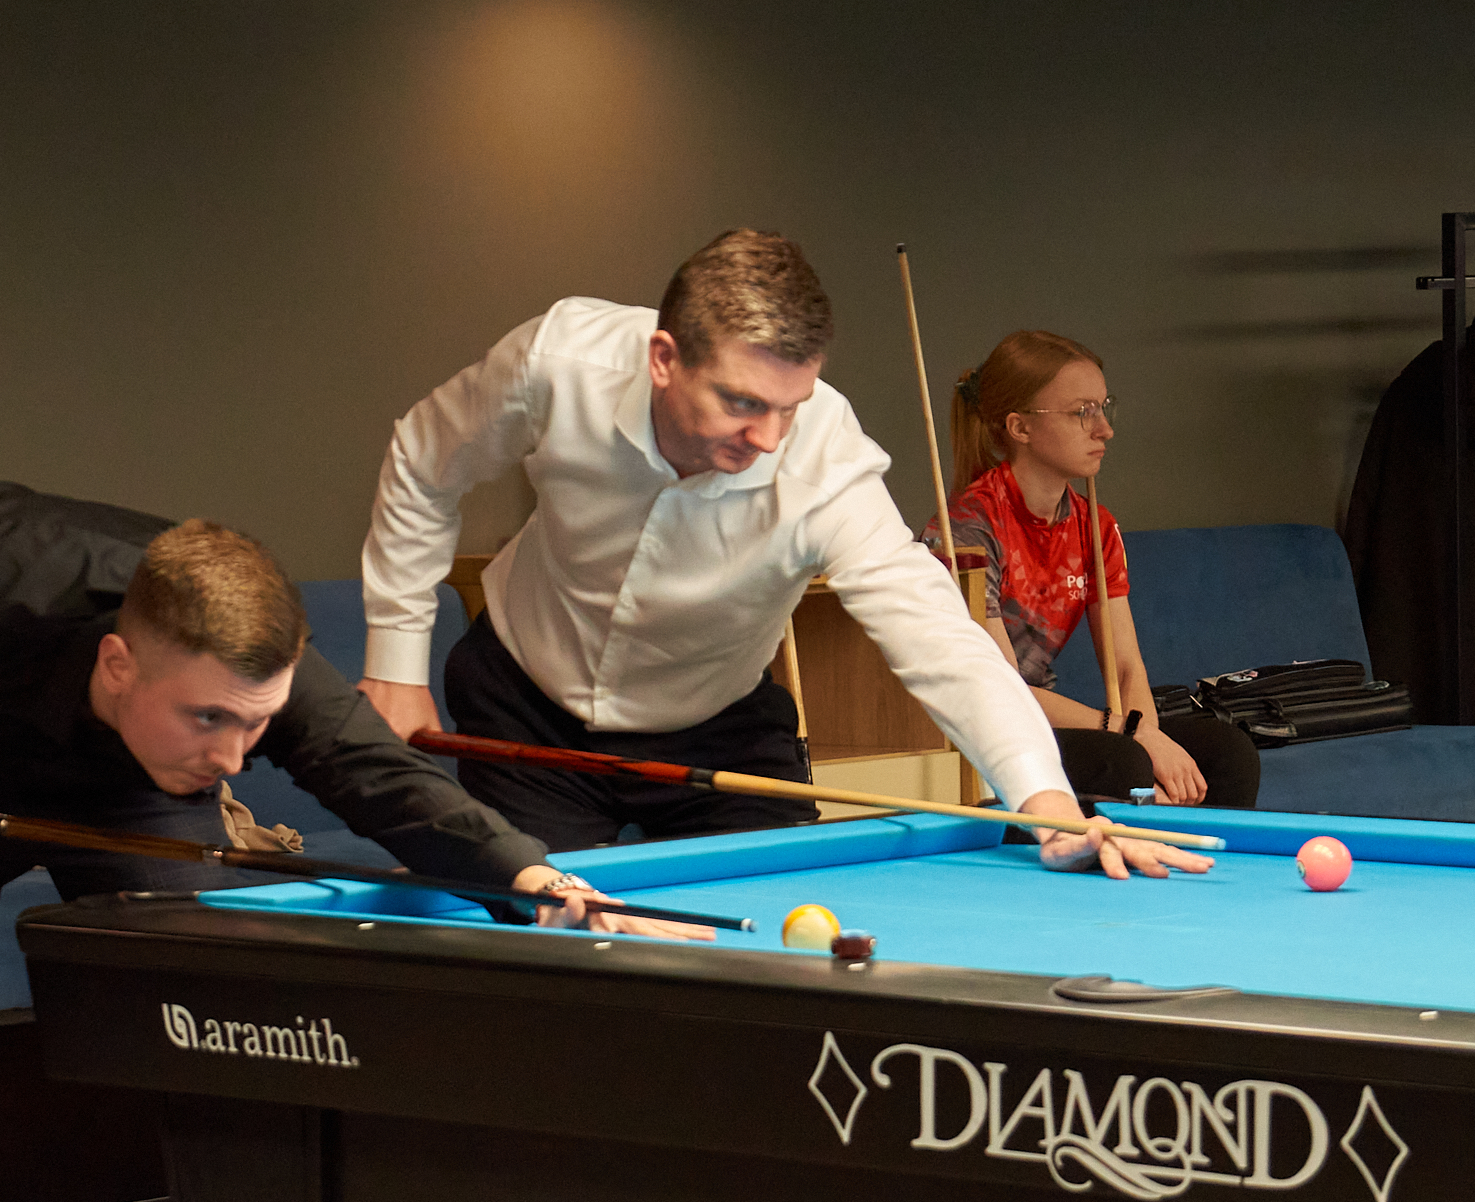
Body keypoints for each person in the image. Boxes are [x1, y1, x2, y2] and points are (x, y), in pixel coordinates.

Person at [0, 464, 675, 1202]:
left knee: (222, 1043)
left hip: (128, 793)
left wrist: (534, 877)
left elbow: (391, 785)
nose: (234, 758)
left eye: (256, 724)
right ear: (119, 664)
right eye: (210, 718)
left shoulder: (254, 687)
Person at [358, 228, 1213, 877]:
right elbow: (424, 463)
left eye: (791, 404)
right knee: (549, 935)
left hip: (718, 732)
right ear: (664, 359)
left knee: (775, 963)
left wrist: (1046, 800)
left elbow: (938, 635)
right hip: (526, 707)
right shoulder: (557, 362)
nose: (769, 438)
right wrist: (395, 662)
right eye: (741, 402)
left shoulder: (824, 460)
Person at [926, 330, 1260, 807]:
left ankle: (1185, 854)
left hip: (1047, 724)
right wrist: (1129, 736)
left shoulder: (1094, 525)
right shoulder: (965, 531)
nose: (1104, 429)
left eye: (1104, 408)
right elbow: (1002, 689)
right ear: (1020, 427)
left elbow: (1126, 668)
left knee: (1228, 753)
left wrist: (1147, 736)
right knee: (1122, 764)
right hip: (979, 732)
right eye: (1082, 412)